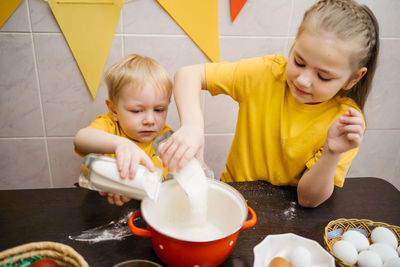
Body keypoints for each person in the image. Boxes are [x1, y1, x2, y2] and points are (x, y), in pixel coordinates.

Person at [159, 0, 380, 208]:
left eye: (323, 76)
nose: (303, 80)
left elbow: (308, 200)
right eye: (299, 62)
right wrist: (192, 126)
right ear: (294, 46)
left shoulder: (346, 123)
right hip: (236, 197)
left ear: (354, 78)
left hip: (292, 212)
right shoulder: (266, 74)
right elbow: (188, 75)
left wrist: (331, 153)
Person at [74, 54, 173, 206]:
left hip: (146, 207)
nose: (150, 120)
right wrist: (119, 144)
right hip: (100, 204)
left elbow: (163, 181)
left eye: (159, 110)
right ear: (114, 110)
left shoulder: (165, 138)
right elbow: (81, 139)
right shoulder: (109, 126)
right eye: (136, 111)